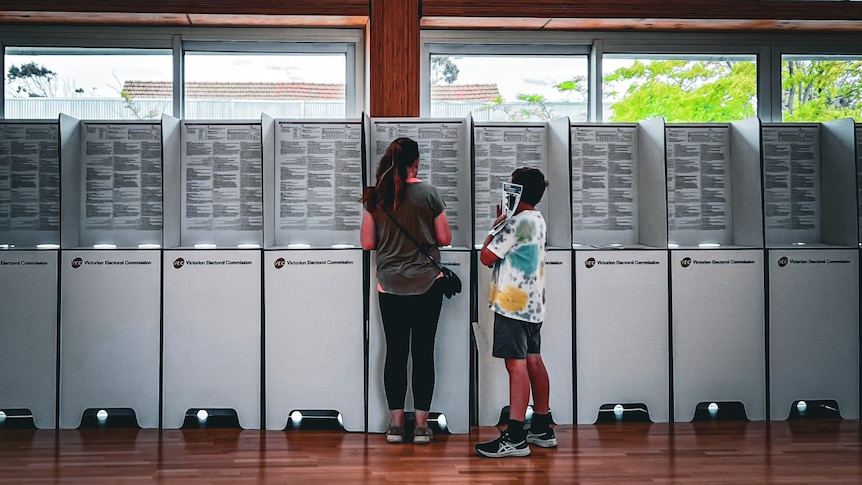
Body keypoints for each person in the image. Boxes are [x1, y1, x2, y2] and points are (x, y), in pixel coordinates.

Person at [360, 137, 452, 445]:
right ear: (416, 163)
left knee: (396, 354)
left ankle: (396, 425)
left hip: (390, 286)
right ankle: (423, 426)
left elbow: (368, 243)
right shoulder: (430, 194)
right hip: (427, 284)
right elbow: (444, 237)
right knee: (423, 353)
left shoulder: (375, 197)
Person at [475, 167, 556, 458]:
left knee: (516, 365)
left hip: (512, 304)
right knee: (534, 360)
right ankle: (543, 427)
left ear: (517, 191)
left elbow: (486, 257)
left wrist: (496, 224)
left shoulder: (514, 223)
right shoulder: (537, 219)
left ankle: (516, 435)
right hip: (534, 304)